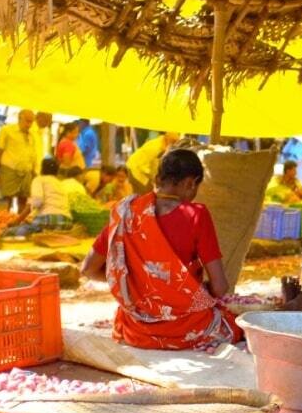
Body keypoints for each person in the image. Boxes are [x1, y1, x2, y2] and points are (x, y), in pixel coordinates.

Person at [81, 148, 242, 350]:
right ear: (191, 183)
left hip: (136, 330)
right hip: (185, 328)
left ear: (158, 178)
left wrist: (135, 282)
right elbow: (220, 287)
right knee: (237, 326)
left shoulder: (127, 213)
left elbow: (88, 269)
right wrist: (185, 291)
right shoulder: (196, 215)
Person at [6, 158, 72, 236]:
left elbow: (37, 202)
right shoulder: (60, 184)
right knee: (34, 228)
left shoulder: (39, 180)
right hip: (66, 222)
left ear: (42, 170)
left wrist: (17, 221)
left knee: (9, 233)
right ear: (57, 171)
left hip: (48, 220)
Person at [0, 109, 37, 212]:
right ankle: (3, 224)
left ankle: (19, 225)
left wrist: (34, 173)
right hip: (9, 171)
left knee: (23, 201)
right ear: (19, 118)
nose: (29, 124)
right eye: (27, 121)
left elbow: (32, 155)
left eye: (31, 121)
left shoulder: (32, 136)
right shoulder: (6, 130)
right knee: (5, 201)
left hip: (27, 172)